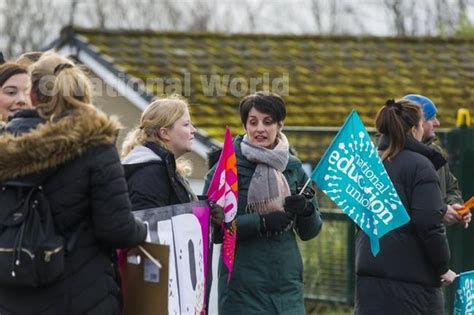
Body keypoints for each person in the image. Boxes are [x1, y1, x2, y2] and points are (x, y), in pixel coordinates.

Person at [0, 59, 147, 314]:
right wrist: (142, 230)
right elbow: (116, 230)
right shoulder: (95, 146)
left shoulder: (4, 148)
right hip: (82, 295)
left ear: (33, 95)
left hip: (13, 293)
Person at [203, 91, 322, 315]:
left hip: (287, 285)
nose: (260, 129)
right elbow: (215, 231)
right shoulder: (225, 170)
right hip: (241, 287)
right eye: (253, 122)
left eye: (268, 122)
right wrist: (262, 222)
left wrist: (306, 210)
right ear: (245, 125)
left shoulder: (293, 169)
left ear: (280, 125)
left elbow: (310, 231)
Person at [355, 99, 456, 315]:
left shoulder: (370, 163)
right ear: (413, 130)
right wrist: (442, 267)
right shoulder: (421, 165)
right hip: (413, 287)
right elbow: (428, 224)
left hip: (369, 280)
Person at [404, 94, 471, 228]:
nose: (437, 123)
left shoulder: (435, 153)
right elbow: (404, 201)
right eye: (432, 118)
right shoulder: (391, 155)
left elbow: (451, 188)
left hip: (434, 239)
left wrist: (454, 206)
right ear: (418, 122)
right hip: (406, 243)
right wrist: (441, 211)